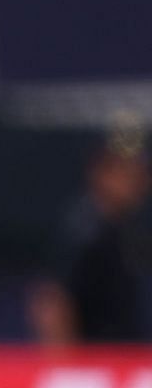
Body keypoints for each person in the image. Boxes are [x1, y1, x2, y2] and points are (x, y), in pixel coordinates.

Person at [29, 114, 151, 344]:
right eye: (125, 172)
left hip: (125, 361)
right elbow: (51, 302)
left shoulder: (125, 228)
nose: (137, 182)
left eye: (141, 172)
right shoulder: (82, 230)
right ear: (100, 172)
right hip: (94, 365)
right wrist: (68, 370)